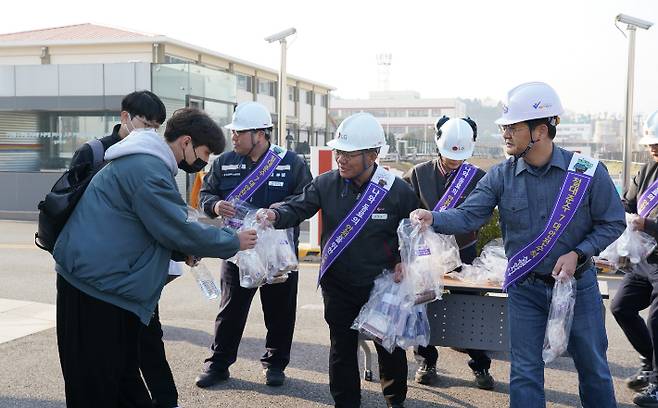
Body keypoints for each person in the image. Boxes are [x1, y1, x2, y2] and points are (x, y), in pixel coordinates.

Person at [411, 82, 624, 408]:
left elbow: (613, 222)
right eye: (504, 127)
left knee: (593, 368)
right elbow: (469, 216)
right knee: (525, 372)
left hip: (579, 287)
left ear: (540, 130)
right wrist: (432, 218)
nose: (505, 134)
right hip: (526, 289)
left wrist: (580, 252)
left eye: (513, 127)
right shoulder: (501, 176)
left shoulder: (586, 174)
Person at [53, 107, 257, 408]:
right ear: (186, 142)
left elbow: (151, 225)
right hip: (95, 291)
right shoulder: (147, 169)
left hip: (106, 286)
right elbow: (176, 227)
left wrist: (181, 250)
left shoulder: (148, 163)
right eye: (203, 152)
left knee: (119, 382)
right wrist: (232, 241)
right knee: (95, 388)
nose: (204, 161)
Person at [260, 112, 419, 408]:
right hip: (339, 284)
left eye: (348, 153)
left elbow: (413, 232)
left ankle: (395, 399)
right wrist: (275, 214)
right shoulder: (326, 184)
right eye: (338, 152)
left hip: (381, 286)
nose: (340, 159)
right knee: (341, 348)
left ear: (372, 155)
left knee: (388, 346)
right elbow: (299, 206)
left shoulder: (397, 190)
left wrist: (403, 259)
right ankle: (346, 403)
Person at [67, 90, 183, 408]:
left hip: (139, 273)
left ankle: (166, 399)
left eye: (156, 127)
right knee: (107, 360)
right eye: (145, 124)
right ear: (125, 118)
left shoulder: (152, 159)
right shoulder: (94, 152)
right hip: (99, 276)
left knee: (148, 340)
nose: (150, 133)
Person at [194, 101, 312, 388]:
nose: (233, 138)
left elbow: (307, 200)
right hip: (237, 249)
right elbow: (204, 196)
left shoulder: (291, 162)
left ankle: (274, 364)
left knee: (280, 312)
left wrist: (278, 213)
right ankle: (218, 365)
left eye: (239, 133)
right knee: (230, 311)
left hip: (278, 253)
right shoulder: (224, 162)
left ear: (259, 134)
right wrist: (216, 205)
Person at [403, 116, 494, 389]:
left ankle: (480, 365)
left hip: (464, 253)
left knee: (472, 309)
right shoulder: (418, 173)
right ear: (438, 144)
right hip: (426, 255)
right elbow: (404, 207)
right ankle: (426, 360)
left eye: (460, 155)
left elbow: (484, 214)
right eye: (448, 154)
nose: (455, 160)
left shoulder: (478, 177)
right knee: (424, 305)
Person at [611, 109, 658, 407]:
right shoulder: (647, 170)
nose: (652, 147)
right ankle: (649, 363)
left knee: (656, 321)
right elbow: (628, 201)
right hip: (643, 260)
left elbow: (645, 219)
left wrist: (648, 224)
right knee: (620, 306)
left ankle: (657, 385)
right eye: (651, 143)